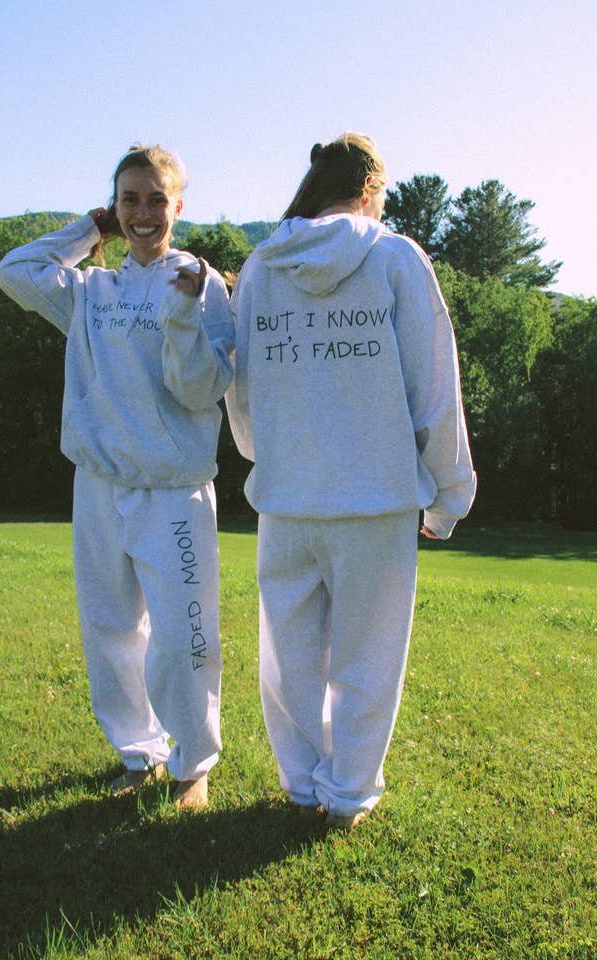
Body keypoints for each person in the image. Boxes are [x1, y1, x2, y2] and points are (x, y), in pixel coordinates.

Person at [226, 133, 476, 828]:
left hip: (287, 498)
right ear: (370, 189)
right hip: (375, 499)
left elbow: (242, 391)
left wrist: (268, 454)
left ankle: (303, 783)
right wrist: (449, 494)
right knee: (369, 655)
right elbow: (434, 387)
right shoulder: (395, 257)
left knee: (289, 656)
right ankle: (348, 794)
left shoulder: (263, 264)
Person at [0, 144, 234, 808]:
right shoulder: (90, 291)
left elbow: (203, 388)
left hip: (173, 489)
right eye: (129, 200)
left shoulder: (199, 282)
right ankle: (139, 751)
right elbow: (16, 270)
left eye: (157, 199)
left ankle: (193, 765)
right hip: (99, 482)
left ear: (178, 205)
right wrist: (90, 230)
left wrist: (184, 313)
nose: (143, 213)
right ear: (115, 206)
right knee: (110, 627)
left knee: (184, 636)